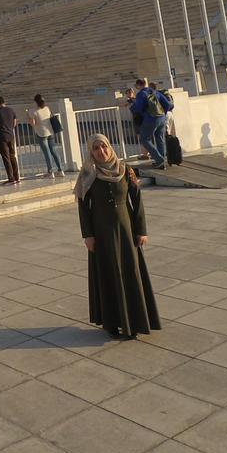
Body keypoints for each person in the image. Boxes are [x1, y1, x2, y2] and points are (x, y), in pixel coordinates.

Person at [75, 133, 160, 340]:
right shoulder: (88, 174)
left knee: (130, 273)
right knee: (108, 275)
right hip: (102, 234)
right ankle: (112, 323)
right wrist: (88, 235)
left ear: (109, 147)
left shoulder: (125, 170)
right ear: (91, 152)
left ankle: (135, 322)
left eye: (103, 147)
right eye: (96, 149)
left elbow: (137, 200)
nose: (101, 152)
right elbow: (83, 207)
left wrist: (142, 230)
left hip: (126, 231)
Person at [132, 78, 173, 168]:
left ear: (139, 85)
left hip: (150, 119)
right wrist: (163, 113)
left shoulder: (141, 94)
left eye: (136, 86)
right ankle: (161, 162)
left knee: (144, 139)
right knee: (160, 138)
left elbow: (138, 108)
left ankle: (159, 159)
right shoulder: (155, 92)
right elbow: (167, 104)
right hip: (161, 118)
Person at [29, 94, 63, 178]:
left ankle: (50, 171)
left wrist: (30, 120)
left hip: (41, 133)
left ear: (35, 102)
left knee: (47, 153)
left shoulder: (33, 111)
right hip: (50, 132)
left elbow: (33, 123)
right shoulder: (47, 108)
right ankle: (60, 170)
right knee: (54, 151)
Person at [0, 96, 20, 185]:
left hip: (2, 136)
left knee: (6, 158)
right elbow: (14, 123)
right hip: (11, 135)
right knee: (12, 156)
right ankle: (17, 177)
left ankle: (11, 178)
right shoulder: (11, 110)